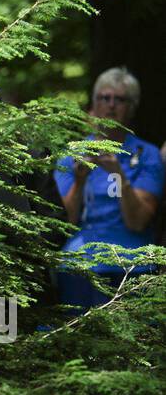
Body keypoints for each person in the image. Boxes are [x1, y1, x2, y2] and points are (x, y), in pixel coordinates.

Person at [53, 67, 163, 310]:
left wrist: (119, 175)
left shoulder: (147, 155)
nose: (111, 105)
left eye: (119, 99)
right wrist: (80, 181)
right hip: (79, 259)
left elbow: (138, 222)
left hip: (132, 261)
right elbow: (64, 222)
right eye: (104, 98)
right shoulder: (72, 155)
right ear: (94, 103)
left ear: (131, 107)